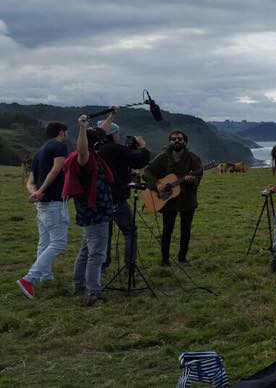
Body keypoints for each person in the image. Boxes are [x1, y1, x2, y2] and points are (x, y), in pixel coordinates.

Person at [63, 115, 117, 305]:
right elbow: (82, 150)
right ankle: (93, 291)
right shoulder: (85, 159)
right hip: (95, 212)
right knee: (97, 254)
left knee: (86, 250)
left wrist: (112, 115)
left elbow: (101, 130)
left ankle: (79, 285)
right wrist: (82, 129)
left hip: (90, 211)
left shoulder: (92, 157)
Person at [16, 121, 69, 300]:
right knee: (59, 242)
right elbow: (57, 169)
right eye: (66, 132)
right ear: (61, 132)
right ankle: (29, 279)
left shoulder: (39, 152)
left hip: (42, 205)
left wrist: (35, 193)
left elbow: (29, 181)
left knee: (44, 242)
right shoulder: (59, 146)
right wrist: (41, 191)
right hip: (54, 203)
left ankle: (46, 277)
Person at [95, 110, 150, 275]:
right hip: (117, 198)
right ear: (112, 134)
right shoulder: (115, 148)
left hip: (99, 198)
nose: (119, 136)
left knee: (105, 234)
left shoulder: (96, 148)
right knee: (129, 231)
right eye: (117, 133)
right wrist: (143, 147)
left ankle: (102, 266)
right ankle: (130, 267)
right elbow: (139, 161)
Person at [143, 130, 203, 266]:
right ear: (169, 141)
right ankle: (165, 259)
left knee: (186, 230)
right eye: (173, 139)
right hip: (168, 200)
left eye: (180, 139)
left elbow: (198, 174)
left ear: (185, 142)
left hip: (187, 199)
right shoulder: (163, 157)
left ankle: (182, 257)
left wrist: (192, 180)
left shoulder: (193, 158)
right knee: (167, 230)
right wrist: (157, 185)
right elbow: (147, 172)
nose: (176, 141)